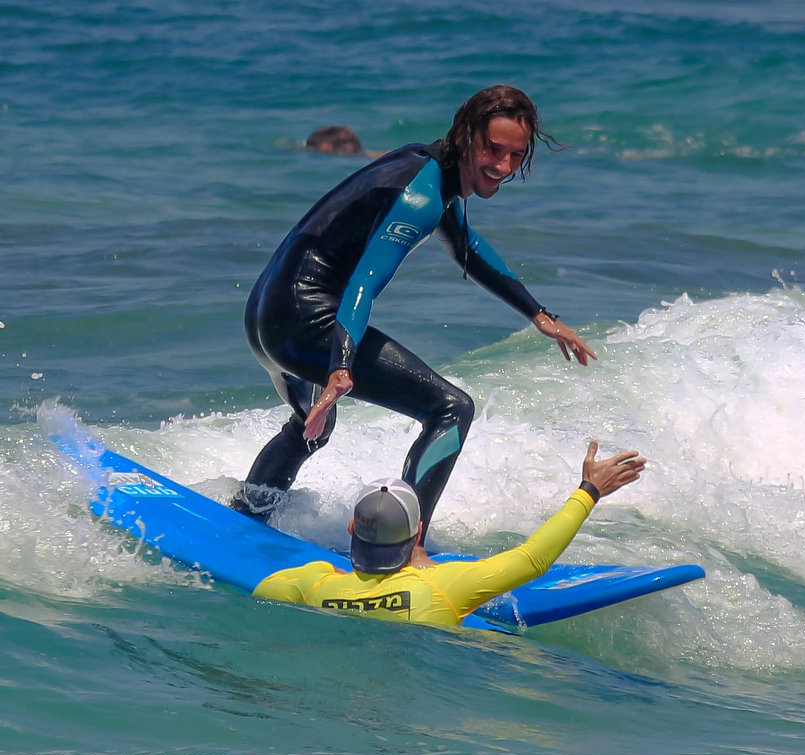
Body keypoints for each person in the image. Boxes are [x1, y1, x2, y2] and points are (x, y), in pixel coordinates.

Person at [235, 86, 597, 539]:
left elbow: (467, 247)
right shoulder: (421, 197)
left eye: (515, 155)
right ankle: (403, 547)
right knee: (450, 408)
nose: (503, 166)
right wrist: (341, 367)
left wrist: (540, 316)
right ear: (466, 136)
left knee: (312, 426)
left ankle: (246, 517)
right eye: (492, 149)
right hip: (303, 320)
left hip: (266, 312)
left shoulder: (429, 168)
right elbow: (364, 282)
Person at [252, 441, 645, 626]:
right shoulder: (443, 586)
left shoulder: (311, 584)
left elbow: (261, 591)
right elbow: (533, 559)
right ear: (417, 531)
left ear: (352, 528)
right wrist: (589, 490)